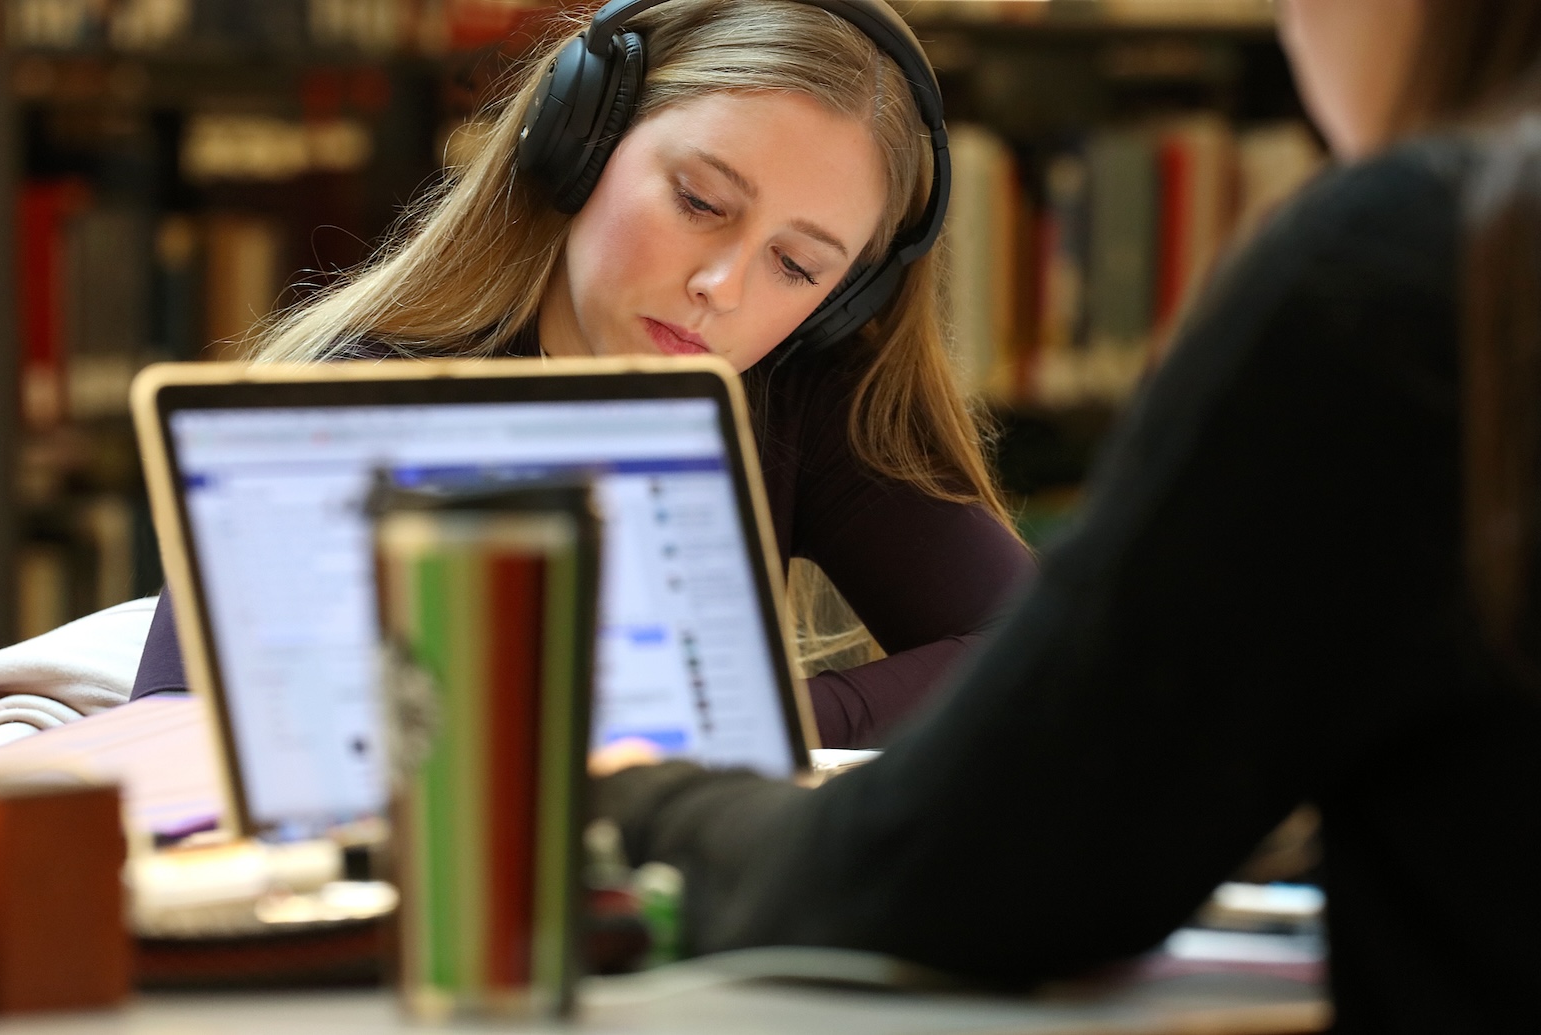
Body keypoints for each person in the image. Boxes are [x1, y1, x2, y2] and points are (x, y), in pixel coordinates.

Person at [592, 0, 1541, 1029]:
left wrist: (652, 801)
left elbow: (981, 864)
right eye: (697, 199)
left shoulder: (1420, 264)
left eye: (800, 263)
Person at [128, 0, 1035, 749]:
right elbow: (170, 754)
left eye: (797, 266)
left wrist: (743, 728)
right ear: (580, 142)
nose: (721, 287)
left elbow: (1043, 651)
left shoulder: (801, 397)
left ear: (842, 300)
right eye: (699, 202)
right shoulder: (349, 400)